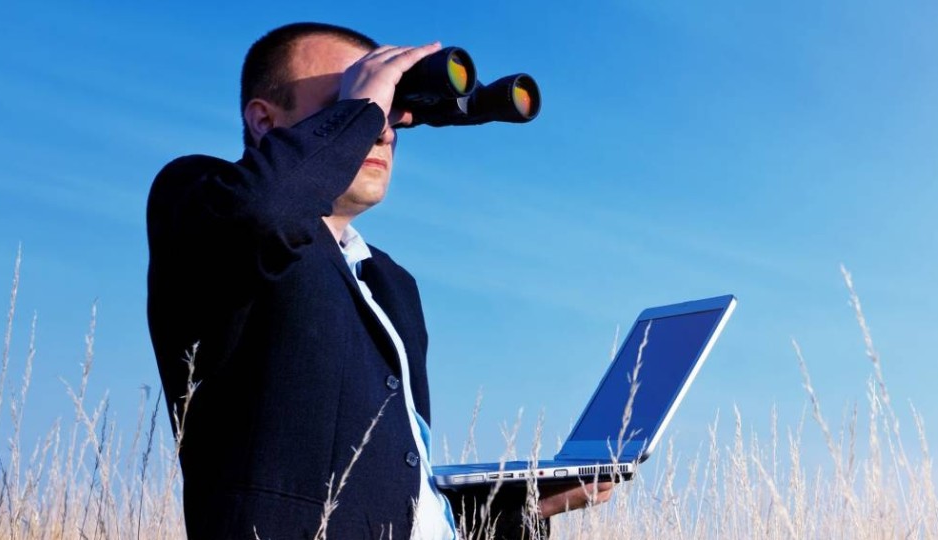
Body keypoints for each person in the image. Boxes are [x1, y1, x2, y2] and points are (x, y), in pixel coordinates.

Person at [145, 22, 613, 539]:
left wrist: (520, 508)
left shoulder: (391, 283)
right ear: (264, 120)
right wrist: (362, 107)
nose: (382, 129)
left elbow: (390, 499)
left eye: (388, 110)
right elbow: (266, 212)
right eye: (347, 99)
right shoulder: (198, 198)